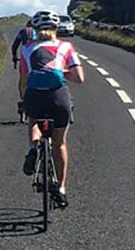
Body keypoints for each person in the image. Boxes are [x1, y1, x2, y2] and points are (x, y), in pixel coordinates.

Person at [17, 17, 85, 206]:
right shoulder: (66, 47)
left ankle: (33, 149)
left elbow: (24, 79)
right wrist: (60, 72)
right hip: (58, 97)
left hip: (35, 97)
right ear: (57, 28)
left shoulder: (27, 48)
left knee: (33, 120)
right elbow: (80, 78)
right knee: (60, 143)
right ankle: (61, 189)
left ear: (35, 29)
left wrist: (24, 98)